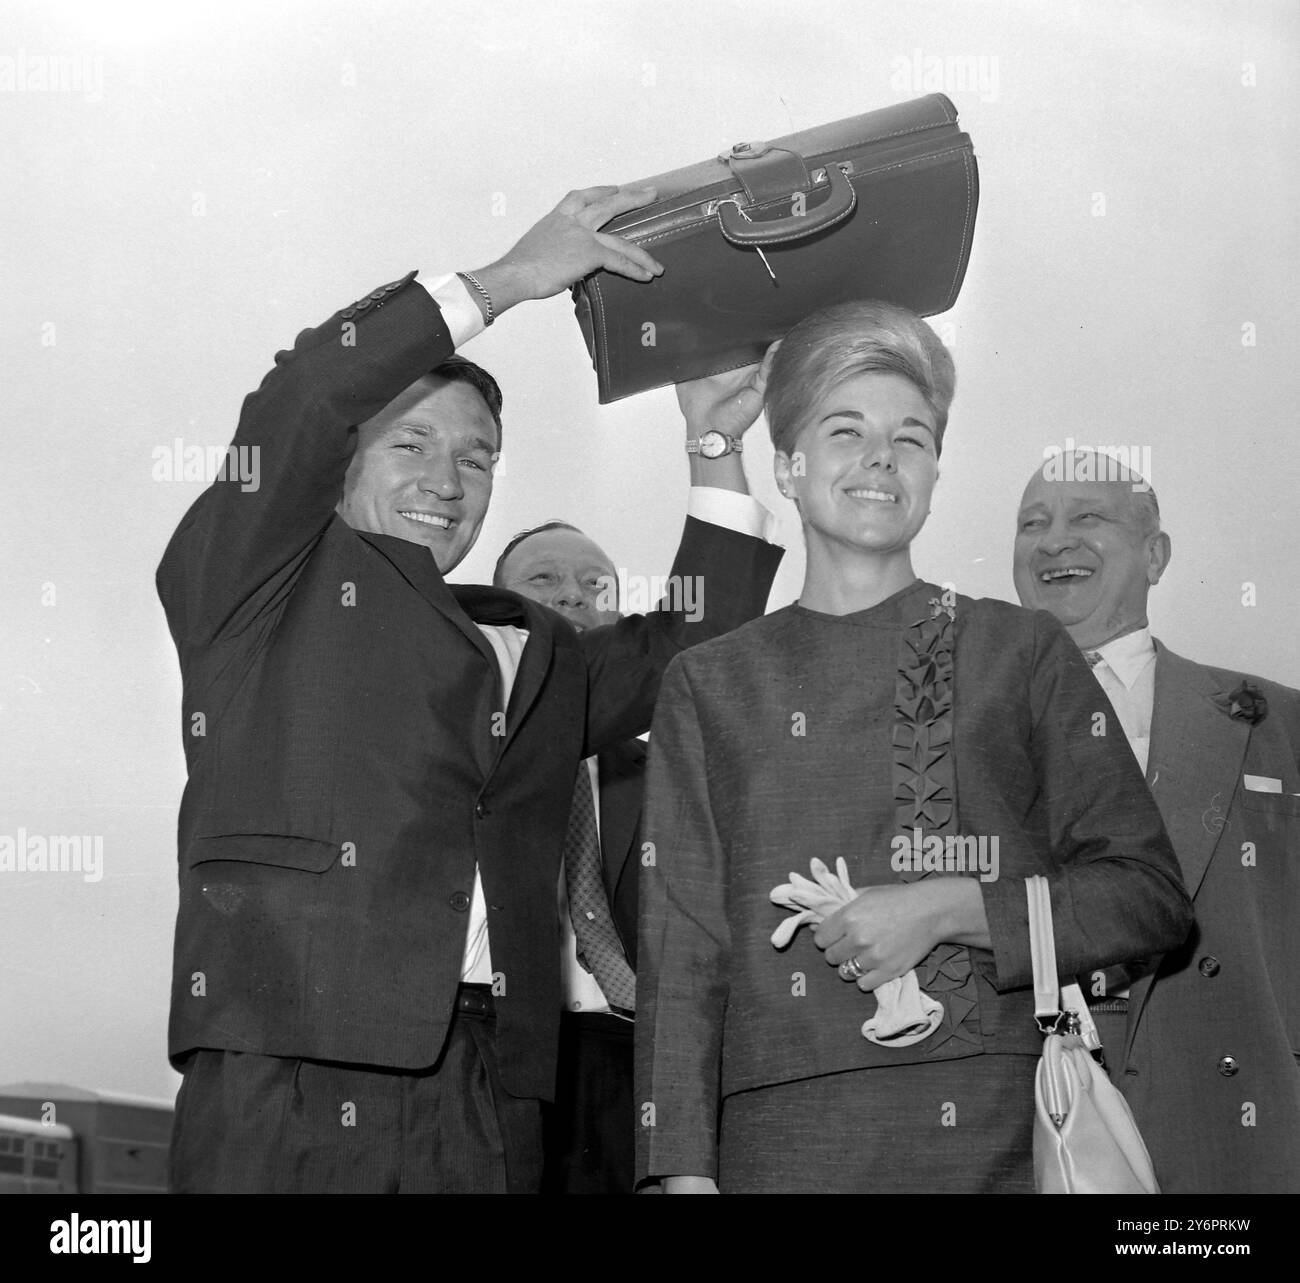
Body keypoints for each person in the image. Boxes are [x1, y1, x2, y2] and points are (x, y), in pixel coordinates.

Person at [157, 185, 784, 1194]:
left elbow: (698, 642)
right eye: (411, 444)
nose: (447, 479)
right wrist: (511, 280)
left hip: (493, 1089)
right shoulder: (254, 581)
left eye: (476, 457)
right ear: (342, 465)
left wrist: (713, 442)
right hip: (288, 1064)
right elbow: (303, 393)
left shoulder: (532, 645)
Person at [634, 300, 1193, 1194]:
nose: (881, 458)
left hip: (997, 1133)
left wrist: (948, 905)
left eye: (913, 437)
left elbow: (1147, 899)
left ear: (934, 470)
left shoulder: (1021, 650)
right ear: (788, 463)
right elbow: (683, 954)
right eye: (845, 430)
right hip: (778, 1148)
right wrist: (679, 1174)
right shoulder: (708, 682)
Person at [493, 361, 778, 1194]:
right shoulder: (467, 728)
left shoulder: (684, 777)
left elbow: (703, 629)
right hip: (512, 1069)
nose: (573, 598)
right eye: (541, 582)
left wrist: (714, 440)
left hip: (646, 1076)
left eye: (594, 586)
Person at [1013, 451, 1300, 1194]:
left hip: (1236, 1135)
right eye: (1032, 523)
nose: (1053, 541)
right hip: (1034, 1132)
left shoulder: (1279, 721)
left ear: (1156, 554)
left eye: (1087, 516)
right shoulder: (961, 726)